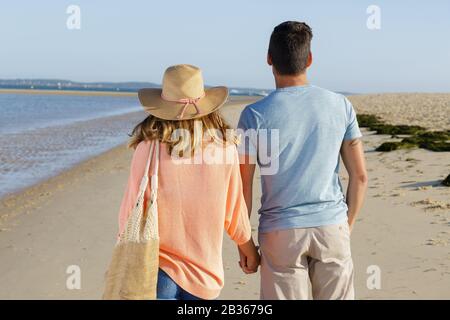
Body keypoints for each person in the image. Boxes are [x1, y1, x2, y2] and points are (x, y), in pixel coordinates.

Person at [237, 21, 368, 300]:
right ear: (309, 59)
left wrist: (244, 242)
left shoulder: (253, 115)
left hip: (280, 233)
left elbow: (242, 185)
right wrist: (347, 224)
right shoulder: (341, 105)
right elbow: (360, 177)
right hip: (331, 225)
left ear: (269, 59)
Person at [118, 64, 260, 300]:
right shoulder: (224, 149)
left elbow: (129, 213)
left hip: (155, 270)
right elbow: (235, 213)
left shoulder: (147, 148)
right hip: (204, 275)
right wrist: (249, 251)